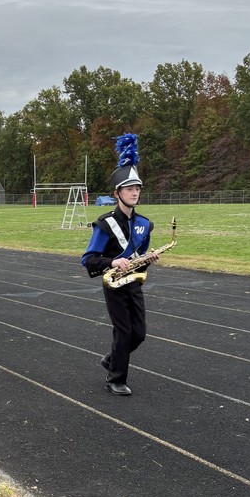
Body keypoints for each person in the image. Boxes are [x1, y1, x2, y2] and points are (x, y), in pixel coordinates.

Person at [81, 134, 159, 397]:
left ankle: (113, 359)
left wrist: (146, 261)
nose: (135, 192)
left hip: (133, 283)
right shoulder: (104, 224)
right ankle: (115, 378)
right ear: (117, 194)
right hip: (113, 283)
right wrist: (113, 261)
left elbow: (141, 255)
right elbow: (88, 259)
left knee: (139, 333)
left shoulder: (145, 224)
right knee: (123, 331)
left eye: (137, 188)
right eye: (129, 189)